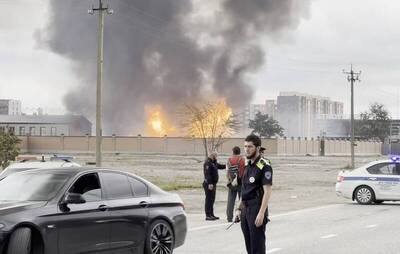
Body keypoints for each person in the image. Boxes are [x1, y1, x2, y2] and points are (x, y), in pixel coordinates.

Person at [235, 134, 273, 254]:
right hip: (246, 209)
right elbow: (244, 190)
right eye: (245, 146)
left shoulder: (264, 166)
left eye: (250, 147)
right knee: (249, 247)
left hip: (257, 208)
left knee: (257, 247)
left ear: (257, 148)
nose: (247, 149)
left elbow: (267, 191)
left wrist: (261, 213)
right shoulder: (247, 166)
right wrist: (238, 209)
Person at [203, 151, 225, 221]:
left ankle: (211, 214)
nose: (217, 157)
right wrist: (210, 184)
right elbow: (207, 174)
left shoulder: (213, 162)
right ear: (213, 155)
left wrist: (227, 165)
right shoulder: (208, 163)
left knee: (212, 199)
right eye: (216, 156)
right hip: (209, 184)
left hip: (213, 184)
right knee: (209, 199)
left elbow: (220, 166)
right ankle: (208, 215)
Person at [226, 146, 245, 222]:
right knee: (242, 200)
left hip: (232, 183)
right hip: (241, 183)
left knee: (230, 200)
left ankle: (229, 217)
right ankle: (242, 216)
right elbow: (245, 171)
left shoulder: (229, 160)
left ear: (233, 151)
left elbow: (227, 172)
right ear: (239, 152)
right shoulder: (242, 160)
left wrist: (229, 180)